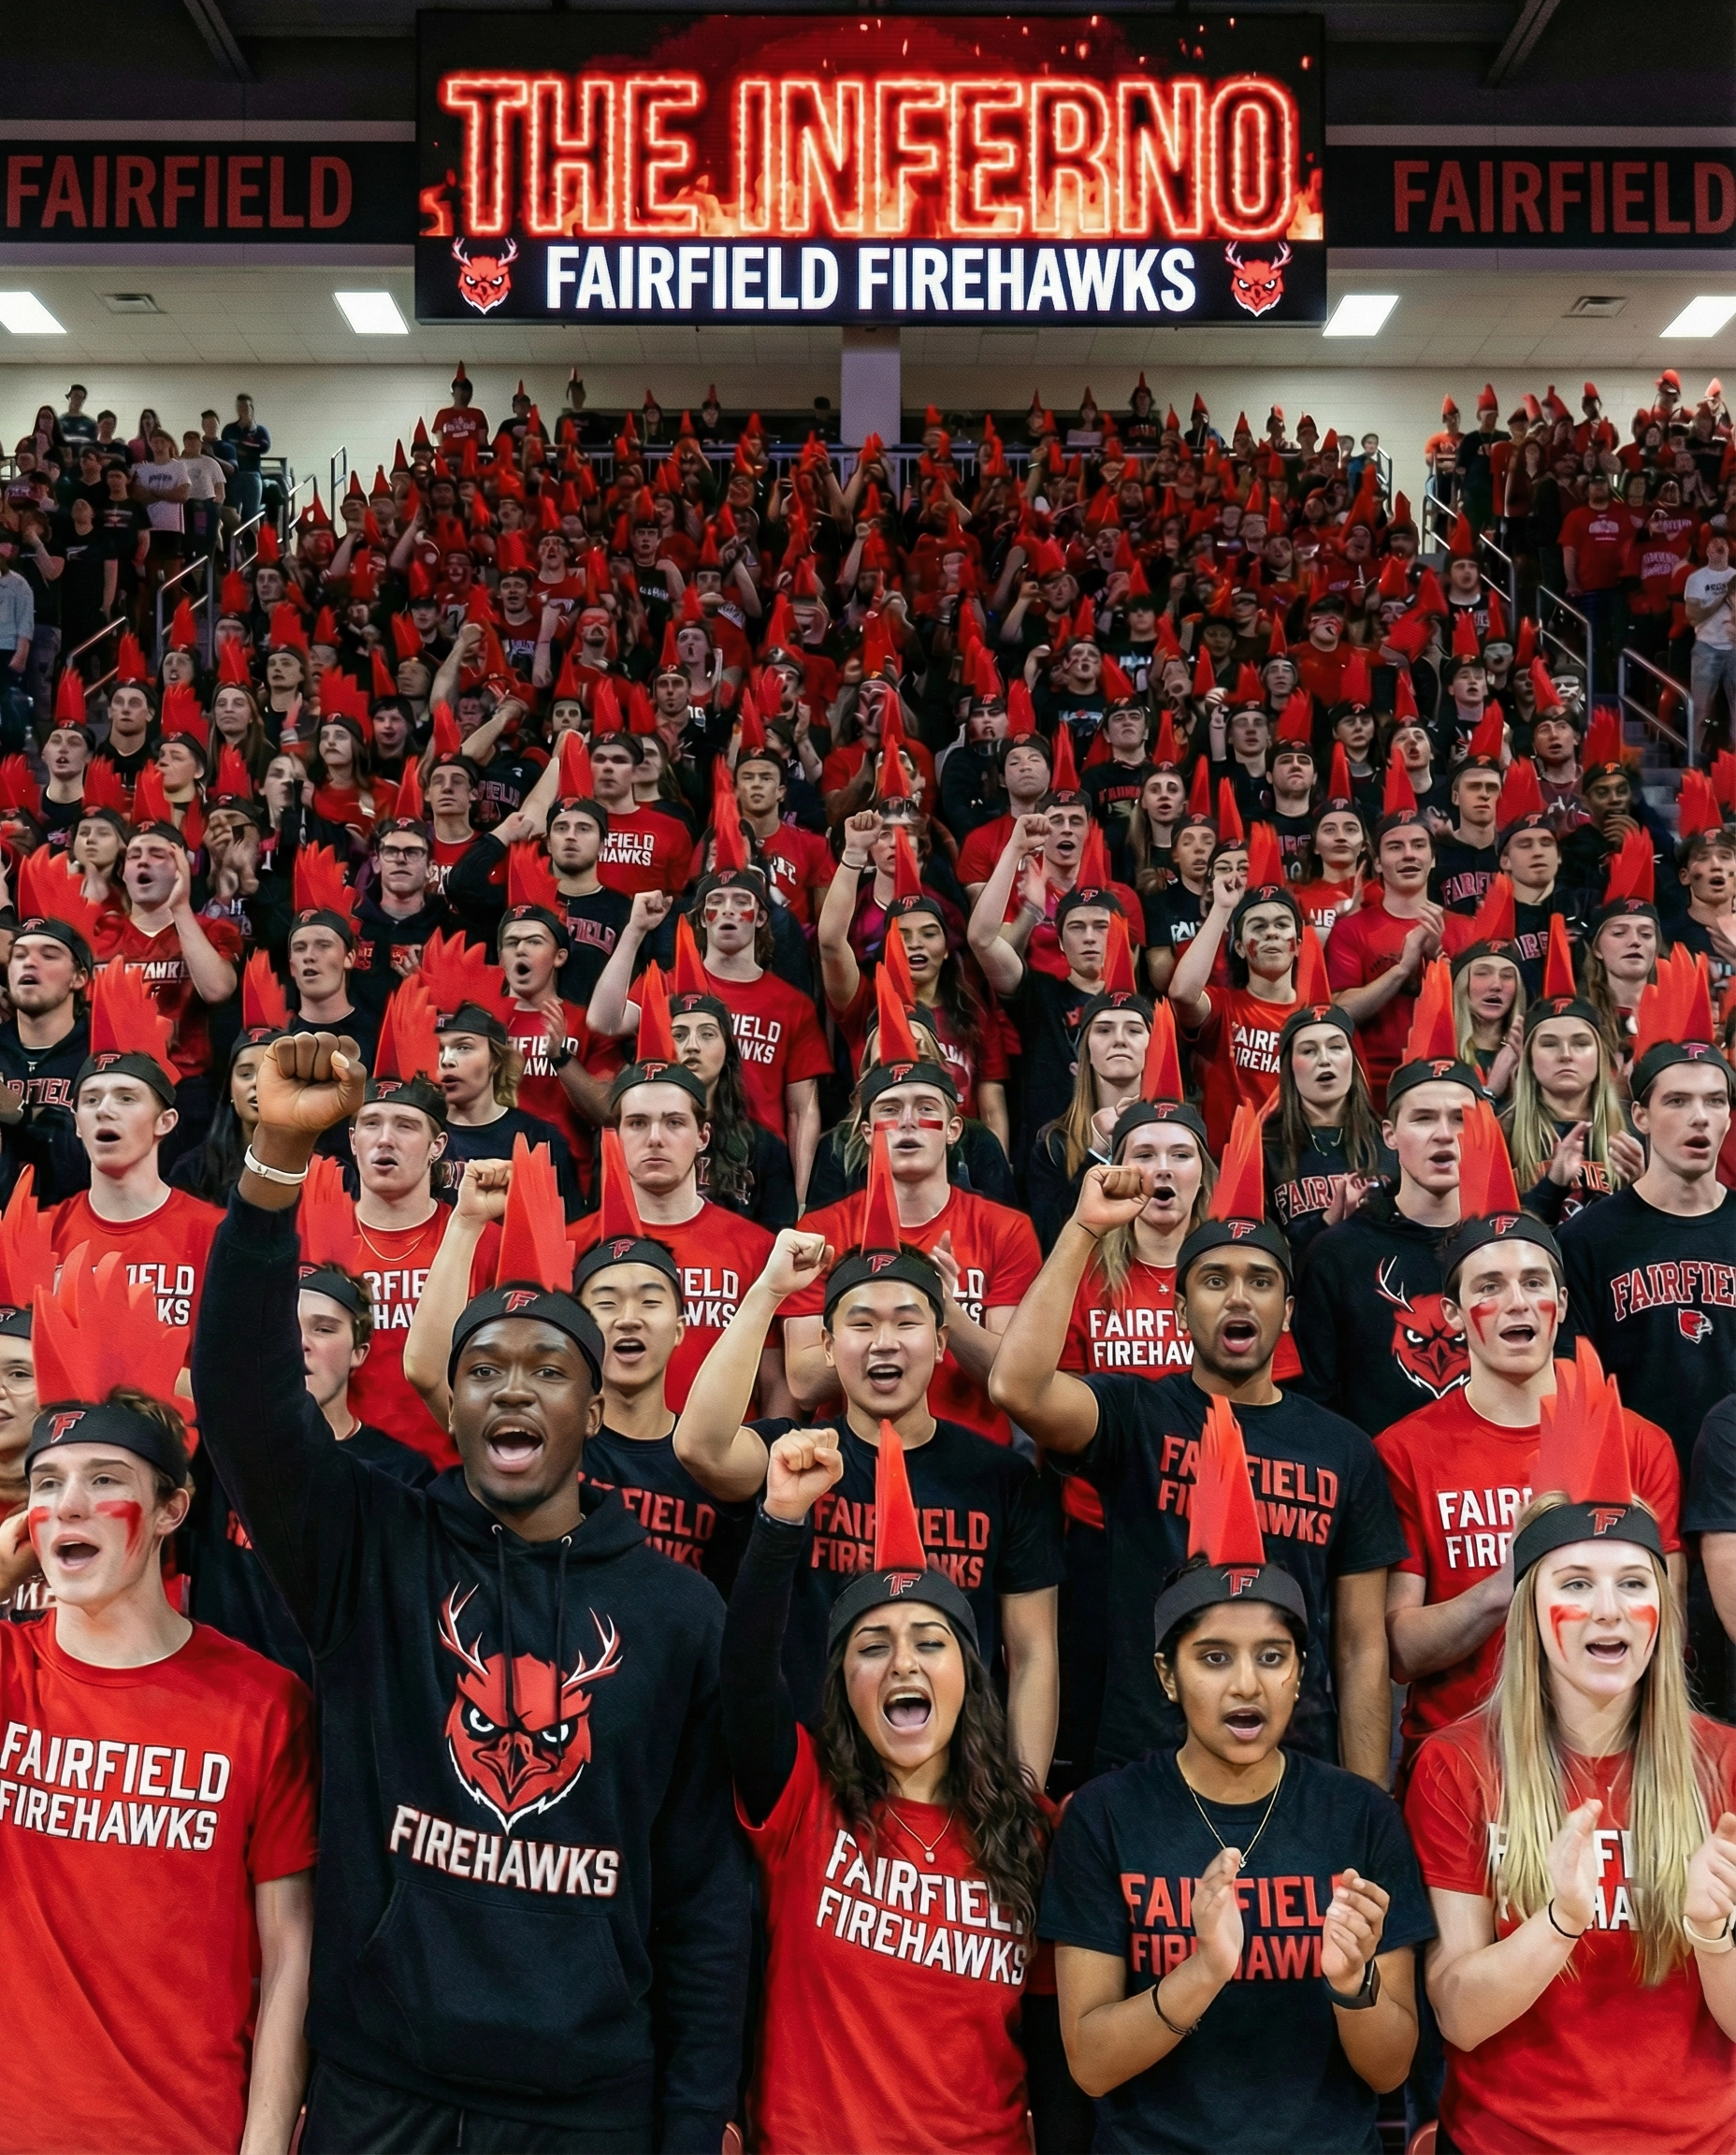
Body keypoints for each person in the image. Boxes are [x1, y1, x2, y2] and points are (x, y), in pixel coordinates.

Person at [192, 1030, 752, 2152]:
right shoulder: (370, 1542)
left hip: (585, 2106)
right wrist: (275, 1168)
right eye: (482, 1369)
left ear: (593, 1414)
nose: (513, 1389)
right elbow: (243, 1394)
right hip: (379, 2086)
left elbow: (703, 1904)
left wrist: (691, 2127)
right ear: (446, 1409)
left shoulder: (678, 1615)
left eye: (549, 1373)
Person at [1042, 1399, 1432, 2155]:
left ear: (1300, 1676)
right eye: (1214, 1658)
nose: (1246, 1685)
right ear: (1167, 1676)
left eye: (1272, 1657)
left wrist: (1353, 1982)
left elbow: (1390, 2071)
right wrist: (1205, 1970)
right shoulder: (1104, 1818)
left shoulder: (1360, 1817)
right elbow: (1089, 2064)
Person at [0, 1251, 317, 2155]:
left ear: (172, 1510)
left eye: (107, 1480)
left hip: (185, 2131)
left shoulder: (262, 1703)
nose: (71, 1506)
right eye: (48, 1484)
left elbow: (289, 1959)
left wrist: (263, 2146)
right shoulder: (8, 1671)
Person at [989, 1107, 1404, 1784]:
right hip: (1145, 1764)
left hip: (1297, 1770)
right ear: (1182, 1311)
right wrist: (1083, 1229)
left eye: (1260, 1281)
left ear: (1288, 1313)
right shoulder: (1136, 1415)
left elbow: (1362, 1649)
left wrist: (1363, 1807)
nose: (1238, 1298)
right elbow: (1016, 1386)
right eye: (1214, 1281)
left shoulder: (1345, 1450)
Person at [1406, 1349, 1736, 2154]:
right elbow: (1456, 2013)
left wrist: (1713, 1933)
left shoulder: (1723, 1764)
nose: (1609, 1612)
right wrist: (1556, 1924)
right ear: (1529, 1611)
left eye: (1633, 1582)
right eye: (1576, 1583)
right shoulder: (1457, 1767)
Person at [725, 1416, 1049, 2155]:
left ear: (970, 1676)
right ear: (843, 1683)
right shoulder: (802, 1798)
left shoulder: (1032, 1831)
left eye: (931, 1643)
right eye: (873, 1647)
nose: (904, 1663)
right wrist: (780, 1518)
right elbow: (744, 1675)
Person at [674, 1202, 1063, 1778]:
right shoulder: (796, 1454)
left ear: (940, 1342)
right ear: (828, 1347)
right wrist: (768, 1292)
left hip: (953, 1782)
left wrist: (1024, 1801)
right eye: (861, 1324)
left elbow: (1032, 1656)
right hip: (807, 1778)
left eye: (907, 1322)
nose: (884, 1342)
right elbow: (700, 1448)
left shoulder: (1001, 1478)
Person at [1377, 1102, 1683, 1784]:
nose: (1517, 1302)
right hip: (1459, 1767)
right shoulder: (1404, 1450)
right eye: (1490, 1286)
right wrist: (1511, 1580)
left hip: (1611, 1766)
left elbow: (1670, 1629)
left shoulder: (1642, 1445)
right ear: (1452, 1316)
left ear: (1564, 1302)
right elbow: (1399, 1647)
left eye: (1534, 1282)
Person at [777, 1039, 1041, 1445]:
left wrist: (946, 1310)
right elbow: (803, 1381)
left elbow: (1010, 1377)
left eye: (926, 1109)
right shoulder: (820, 1230)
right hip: (853, 1459)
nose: (907, 1123)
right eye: (889, 1110)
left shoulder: (1007, 1228)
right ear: (866, 1132)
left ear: (954, 1130)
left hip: (972, 1455)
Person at [1292, 971, 1480, 1435]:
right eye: (1423, 1118)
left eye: (1460, 1118)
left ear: (1486, 1131)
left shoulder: (1515, 1247)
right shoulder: (1337, 1253)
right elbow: (1316, 1403)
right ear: (1390, 1136)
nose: (1443, 1134)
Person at [568, 1053, 780, 1412]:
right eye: (637, 1123)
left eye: (674, 1123)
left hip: (724, 1460)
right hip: (603, 1459)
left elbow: (774, 1381)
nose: (655, 1139)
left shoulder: (757, 1247)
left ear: (702, 1135)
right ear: (615, 1137)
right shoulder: (572, 1245)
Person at [50, 965, 223, 1345]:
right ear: (77, 1123)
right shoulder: (46, 1233)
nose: (104, 1110)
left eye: (126, 1098)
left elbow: (238, 1368)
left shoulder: (212, 1232)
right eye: (91, 1100)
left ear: (165, 1121)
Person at [1264, 1003, 1396, 1255]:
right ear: (1289, 1067)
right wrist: (1327, 1221)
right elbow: (1264, 1251)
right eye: (1309, 1051)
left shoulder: (1389, 1141)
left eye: (1336, 1047)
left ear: (1353, 1060)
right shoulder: (1265, 1147)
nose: (1325, 1060)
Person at [0, 910, 93, 1205]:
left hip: (76, 1225)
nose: (29, 962)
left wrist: (18, 1113)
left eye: (49, 955)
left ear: (78, 978)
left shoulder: (103, 1054)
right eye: (19, 955)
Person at [1685, 533, 1736, 749]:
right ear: (1706, 551)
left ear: (1729, 550)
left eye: (1722, 543)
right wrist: (1722, 597)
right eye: (1713, 543)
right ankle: (1693, 758)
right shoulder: (1697, 579)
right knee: (1702, 709)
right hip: (1707, 648)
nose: (1718, 546)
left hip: (1734, 648)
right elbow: (1694, 617)